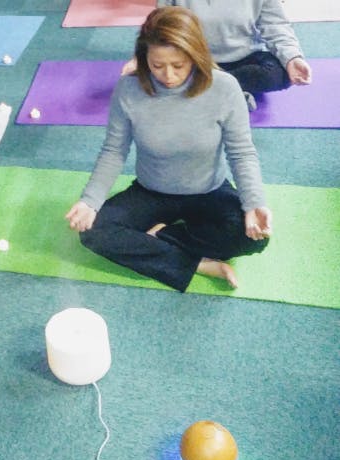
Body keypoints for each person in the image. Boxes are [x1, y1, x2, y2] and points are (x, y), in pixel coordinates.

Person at [65, 6, 272, 292]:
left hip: (208, 190)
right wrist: (90, 201)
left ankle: (163, 237)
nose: (169, 75)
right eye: (157, 65)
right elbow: (114, 150)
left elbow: (242, 152)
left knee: (253, 237)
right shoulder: (128, 89)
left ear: (195, 55)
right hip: (151, 191)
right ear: (144, 58)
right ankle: (197, 264)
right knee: (93, 231)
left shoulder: (225, 88)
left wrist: (253, 203)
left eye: (178, 65)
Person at [121, 0, 312, 110]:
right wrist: (141, 58)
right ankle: (230, 93)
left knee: (278, 74)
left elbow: (275, 25)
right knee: (162, 72)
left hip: (244, 60)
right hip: (193, 60)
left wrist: (292, 58)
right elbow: (160, 25)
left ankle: (206, 89)